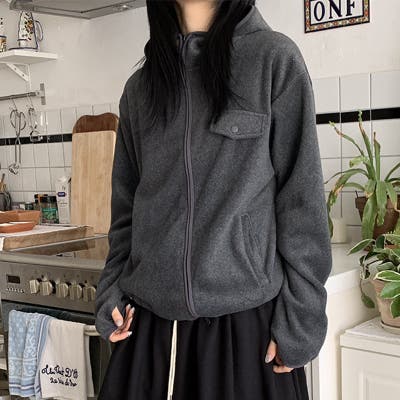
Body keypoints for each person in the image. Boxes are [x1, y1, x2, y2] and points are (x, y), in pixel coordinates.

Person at [94, 0, 332, 399]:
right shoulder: (140, 89)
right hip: (149, 334)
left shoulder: (273, 61)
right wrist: (110, 292)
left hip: (246, 334)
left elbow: (302, 205)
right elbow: (126, 214)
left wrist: (302, 323)